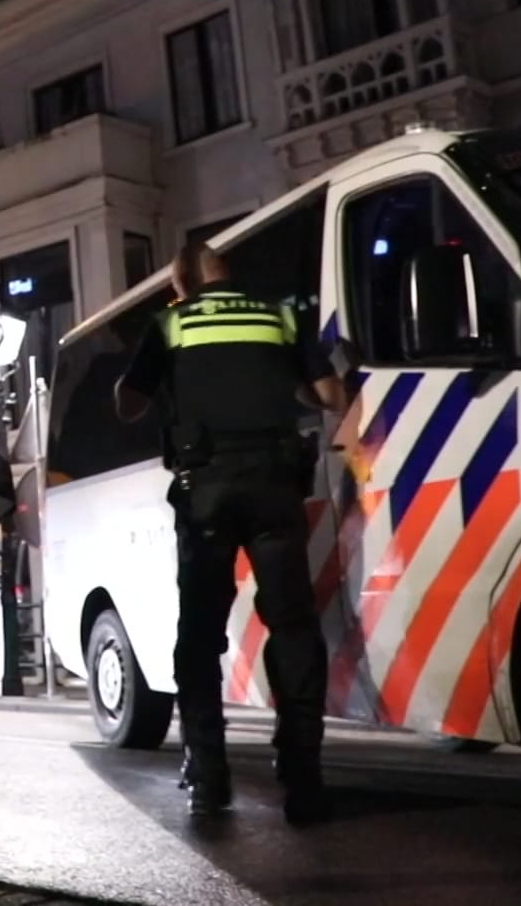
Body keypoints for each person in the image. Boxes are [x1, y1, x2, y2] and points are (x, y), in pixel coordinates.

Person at [113, 241, 347, 824]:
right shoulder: (282, 316)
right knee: (292, 627)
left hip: (206, 494)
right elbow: (330, 396)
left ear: (183, 283)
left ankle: (209, 775)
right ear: (227, 273)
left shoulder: (171, 322)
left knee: (198, 634)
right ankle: (303, 776)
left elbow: (128, 406)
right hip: (275, 488)